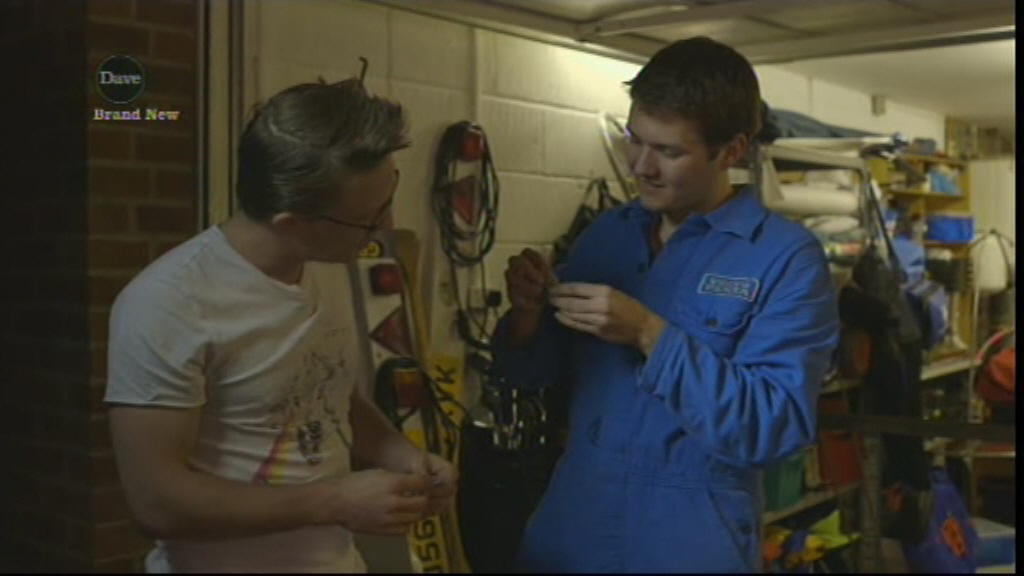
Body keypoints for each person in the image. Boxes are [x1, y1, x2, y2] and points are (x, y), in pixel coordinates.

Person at [493, 37, 840, 573]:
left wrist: (647, 333)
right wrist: (528, 314)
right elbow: (533, 375)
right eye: (635, 140)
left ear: (732, 151)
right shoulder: (607, 235)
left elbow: (771, 429)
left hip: (688, 536)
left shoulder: (784, 259)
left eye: (669, 152)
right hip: (571, 524)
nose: (641, 166)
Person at [105, 79, 457, 573]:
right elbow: (155, 502)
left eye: (389, 198)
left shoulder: (326, 263)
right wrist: (336, 501)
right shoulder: (169, 304)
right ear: (291, 223)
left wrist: (398, 453)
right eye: (368, 218)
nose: (386, 226)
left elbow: (325, 393)